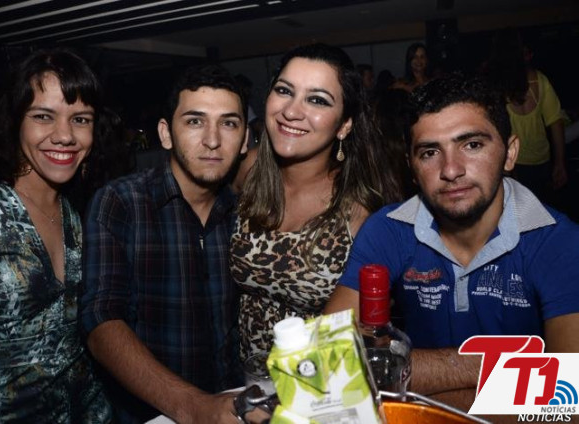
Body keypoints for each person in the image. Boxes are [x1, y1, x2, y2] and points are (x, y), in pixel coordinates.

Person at [325, 73, 579, 412]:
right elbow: (330, 361)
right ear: (411, 168)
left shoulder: (557, 241)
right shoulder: (389, 230)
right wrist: (483, 364)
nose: (451, 170)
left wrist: (399, 382)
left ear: (510, 153)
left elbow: (568, 399)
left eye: (472, 145)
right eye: (430, 152)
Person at [0, 49, 112, 422]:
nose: (64, 136)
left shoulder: (76, 214)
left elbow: (74, 349)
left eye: (80, 119)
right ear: (15, 120)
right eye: (43, 116)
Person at [81, 64, 249, 424]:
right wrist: (194, 406)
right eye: (195, 121)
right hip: (150, 415)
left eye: (229, 123)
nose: (213, 139)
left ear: (245, 139)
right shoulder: (122, 202)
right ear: (165, 133)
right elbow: (101, 321)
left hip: (233, 408)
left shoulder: (246, 214)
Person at [230, 43, 404, 362]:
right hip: (239, 378)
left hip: (317, 380)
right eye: (284, 90)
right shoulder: (248, 170)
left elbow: (367, 332)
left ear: (344, 125)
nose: (291, 111)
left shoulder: (362, 211)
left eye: (317, 100)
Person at [485, 28, 567, 201]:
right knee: (542, 209)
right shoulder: (540, 79)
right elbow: (556, 122)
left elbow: (494, 130)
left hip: (514, 161)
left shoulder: (494, 86)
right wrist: (559, 162)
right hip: (540, 160)